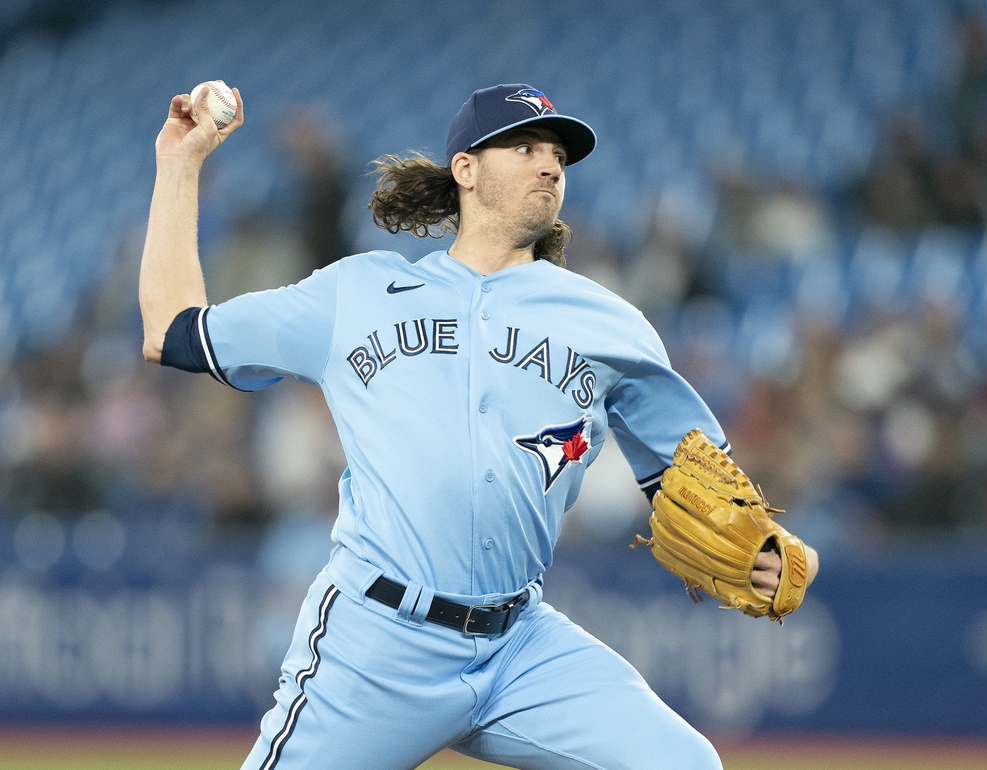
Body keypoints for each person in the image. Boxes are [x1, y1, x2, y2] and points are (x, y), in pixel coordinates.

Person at [139, 81, 819, 770]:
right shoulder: (359, 293)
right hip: (380, 639)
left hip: (519, 646)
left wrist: (760, 541)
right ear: (465, 169)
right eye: (525, 147)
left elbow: (693, 476)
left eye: (557, 153)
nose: (551, 165)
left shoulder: (611, 324)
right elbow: (173, 331)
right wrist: (180, 164)